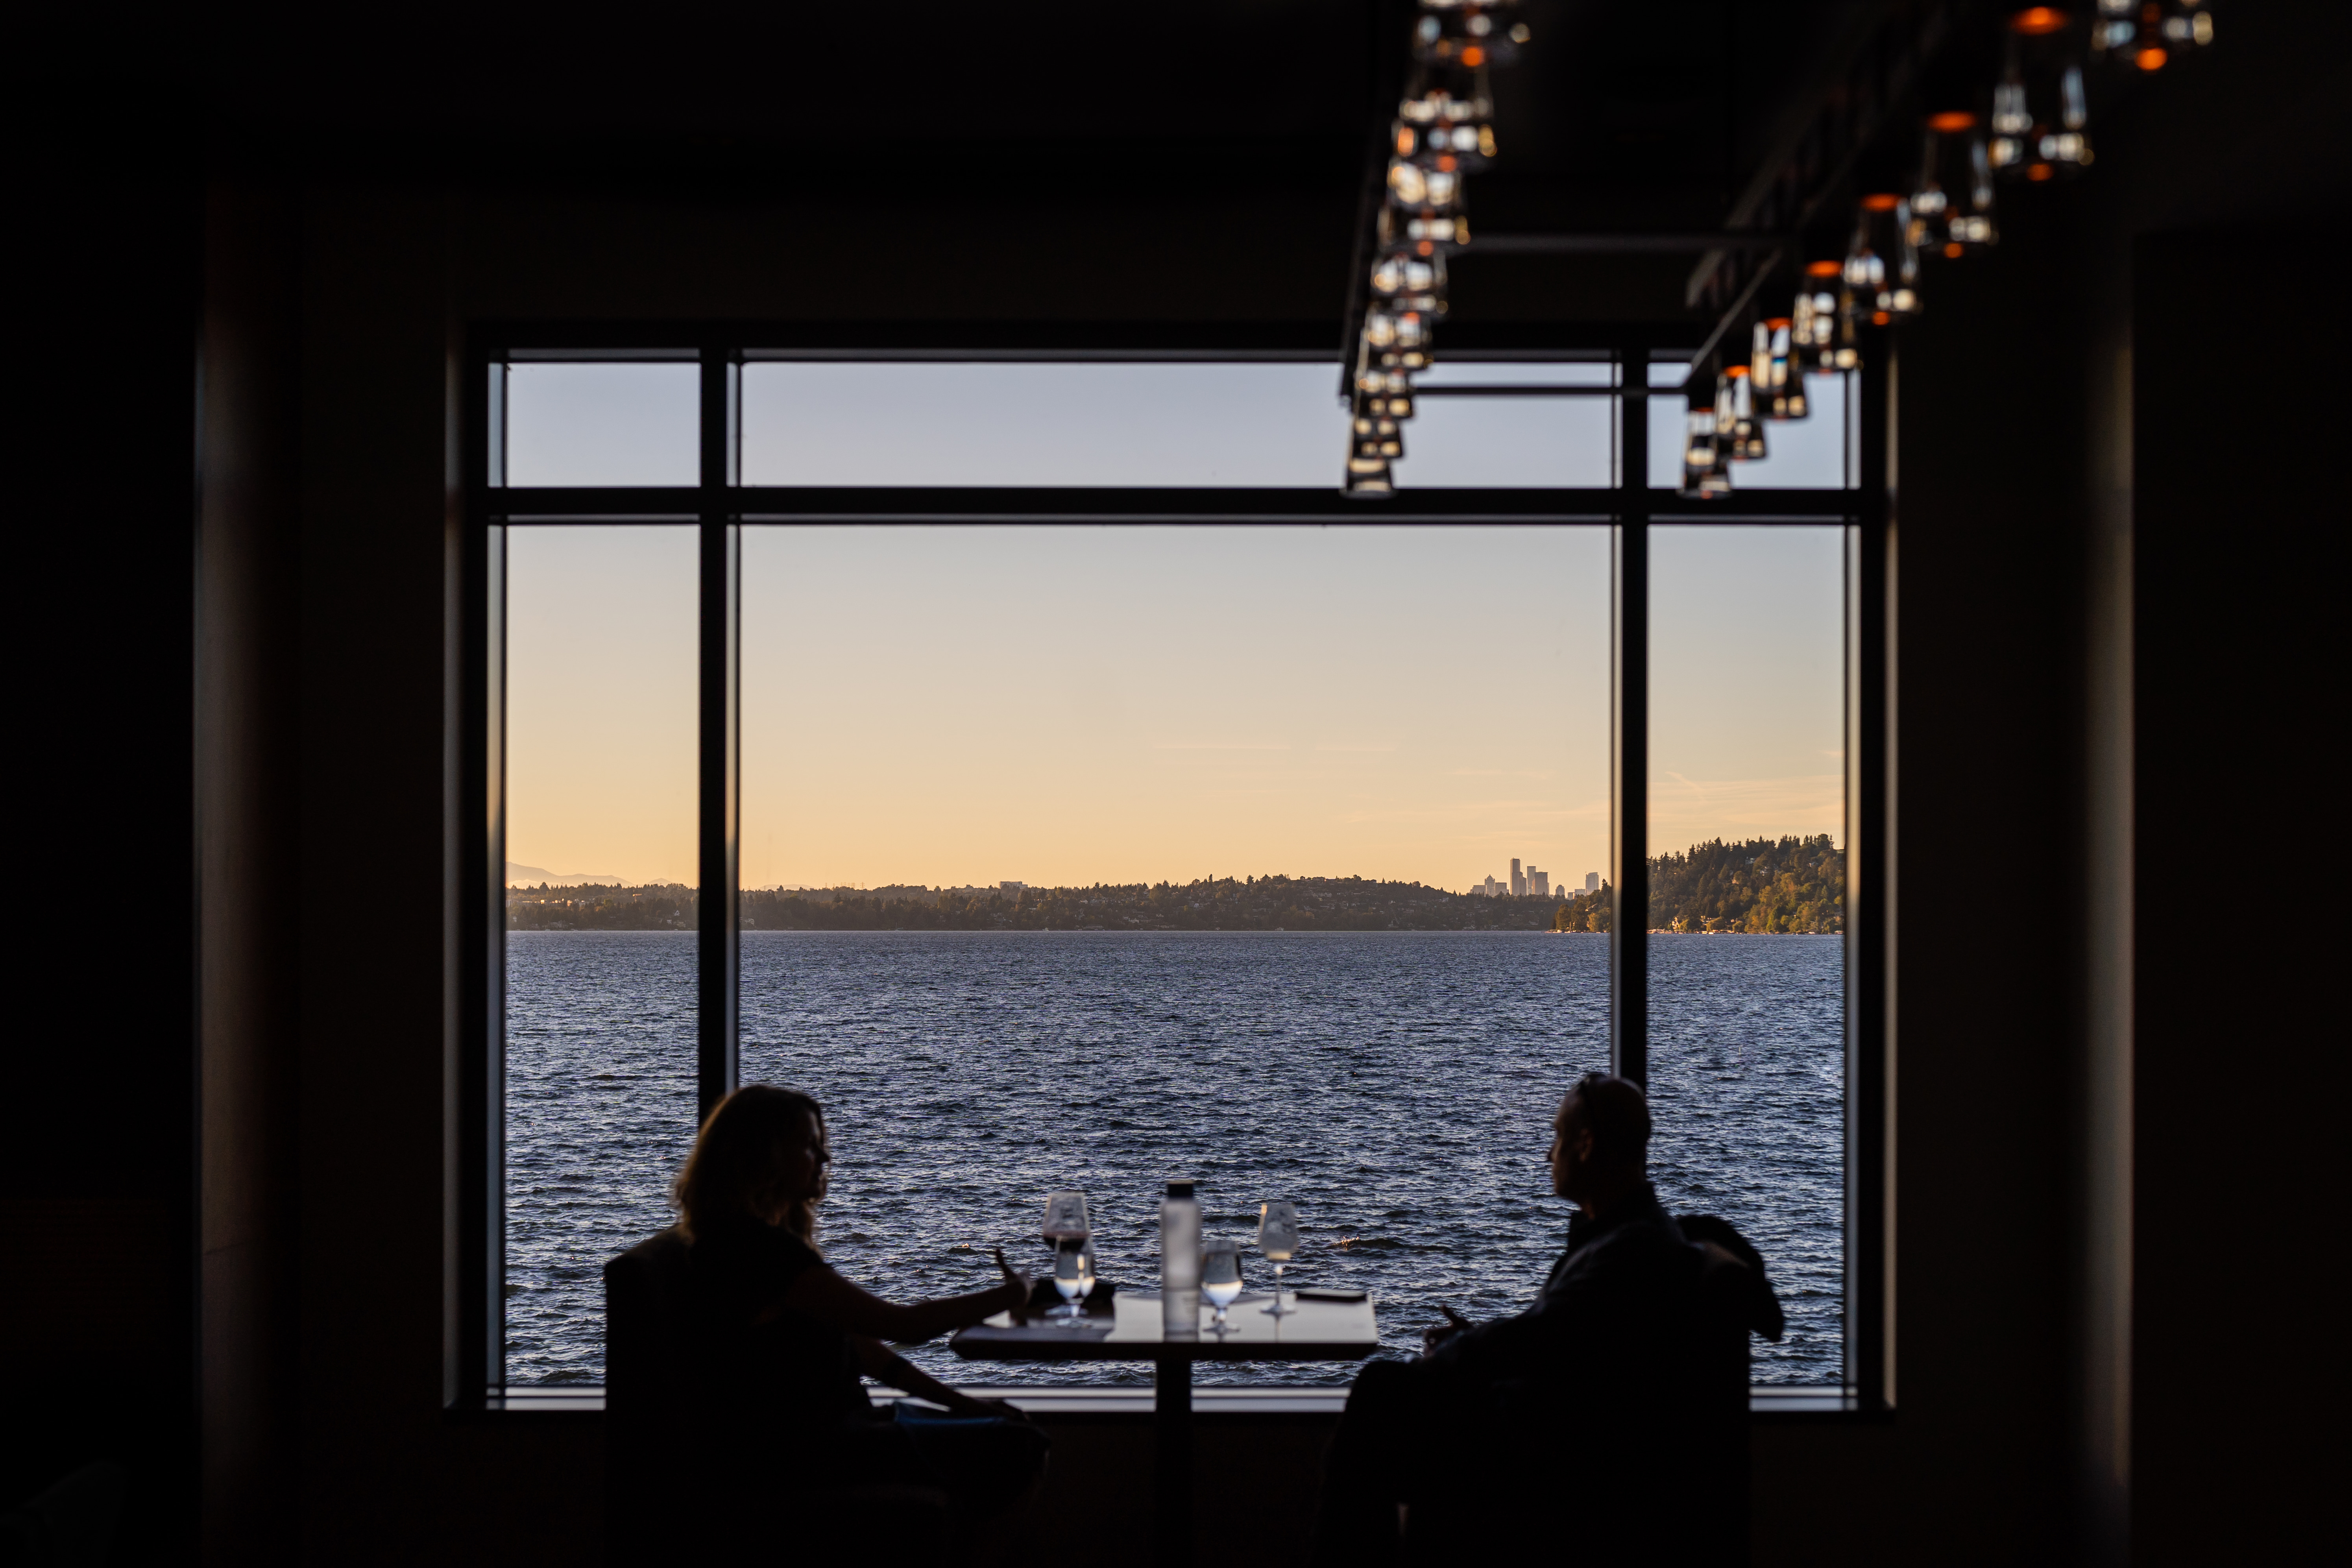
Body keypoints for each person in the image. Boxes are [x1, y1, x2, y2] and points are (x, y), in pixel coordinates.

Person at [1310, 1071, 1781, 1564]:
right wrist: (1473, 1342)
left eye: (1557, 1137)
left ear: (1586, 1143)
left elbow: (1541, 1336)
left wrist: (1452, 1354)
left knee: (1381, 1391)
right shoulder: (1632, 1235)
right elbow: (1570, 1338)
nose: (1547, 1154)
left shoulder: (1629, 1248)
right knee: (1387, 1404)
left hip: (1558, 1462)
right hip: (1561, 1436)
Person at [673, 1083, 1049, 1542]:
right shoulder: (758, 1252)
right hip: (807, 1450)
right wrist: (1014, 1292)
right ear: (765, 1156)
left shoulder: (744, 1243)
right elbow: (903, 1326)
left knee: (1010, 1431)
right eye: (810, 1146)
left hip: (831, 1432)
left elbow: (869, 1353)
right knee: (1022, 1447)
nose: (824, 1160)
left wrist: (967, 1404)